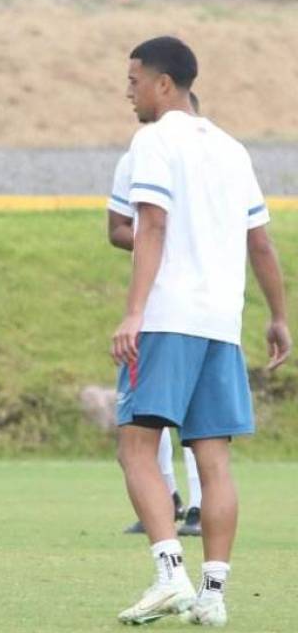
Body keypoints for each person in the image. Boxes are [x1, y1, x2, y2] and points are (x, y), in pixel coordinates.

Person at [110, 36, 290, 627]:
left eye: (134, 79)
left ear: (164, 84)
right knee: (213, 458)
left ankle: (169, 576)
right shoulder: (232, 149)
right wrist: (278, 317)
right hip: (221, 325)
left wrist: (135, 312)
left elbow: (151, 225)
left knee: (136, 444)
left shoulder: (154, 140)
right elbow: (259, 241)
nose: (128, 89)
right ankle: (213, 594)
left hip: (168, 317)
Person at [108, 91, 204, 538]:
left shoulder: (217, 158)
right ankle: (167, 497)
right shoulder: (139, 155)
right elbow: (119, 228)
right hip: (159, 306)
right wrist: (163, 244)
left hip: (206, 308)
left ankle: (200, 509)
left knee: (201, 420)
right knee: (150, 413)